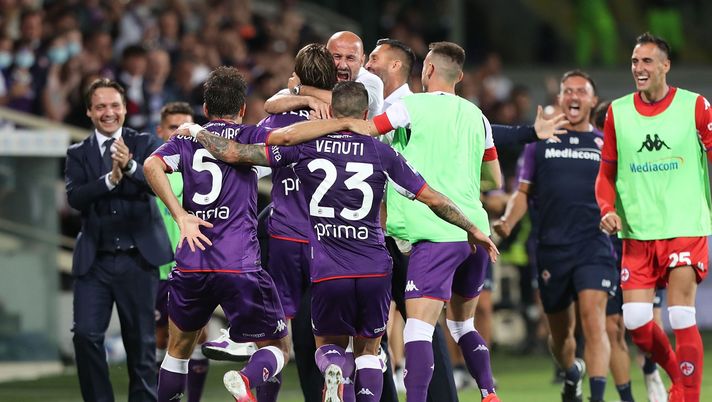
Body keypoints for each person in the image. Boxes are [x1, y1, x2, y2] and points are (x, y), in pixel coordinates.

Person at [183, 80, 498, 402]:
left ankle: (335, 368)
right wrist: (472, 227)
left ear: (330, 111)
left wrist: (197, 132)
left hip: (330, 270)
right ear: (364, 113)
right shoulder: (382, 152)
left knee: (329, 346)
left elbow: (235, 153)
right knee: (370, 352)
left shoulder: (307, 147)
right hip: (376, 269)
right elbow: (433, 198)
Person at [143, 66, 306, 402]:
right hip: (238, 262)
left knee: (178, 350)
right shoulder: (250, 136)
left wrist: (182, 216)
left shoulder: (186, 139)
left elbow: (150, 165)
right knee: (277, 347)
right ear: (243, 109)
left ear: (205, 109)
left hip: (192, 261)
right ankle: (247, 380)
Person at [202, 43, 339, 402]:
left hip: (285, 240)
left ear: (296, 76)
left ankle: (246, 360)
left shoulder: (275, 120)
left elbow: (245, 159)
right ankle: (336, 378)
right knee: (335, 340)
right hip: (334, 242)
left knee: (278, 338)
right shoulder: (346, 118)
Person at [595, 32, 712, 402]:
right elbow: (606, 173)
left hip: (683, 225)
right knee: (636, 322)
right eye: (634, 61)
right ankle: (681, 379)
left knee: (679, 315)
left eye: (647, 61)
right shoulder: (618, 112)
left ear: (665, 66)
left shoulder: (696, 107)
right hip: (637, 232)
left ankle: (687, 396)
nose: (639, 68)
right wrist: (607, 209)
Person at [494, 70, 616, 402]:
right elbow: (522, 193)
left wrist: (618, 215)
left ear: (592, 100)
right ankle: (571, 372)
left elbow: (621, 191)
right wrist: (506, 222)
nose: (574, 96)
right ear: (560, 99)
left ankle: (597, 397)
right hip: (551, 249)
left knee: (594, 321)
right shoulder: (540, 143)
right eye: (568, 91)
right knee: (561, 338)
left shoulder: (606, 143)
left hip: (594, 245)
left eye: (582, 91)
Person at [65, 78, 173, 402]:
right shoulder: (77, 153)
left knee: (141, 344)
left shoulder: (145, 143)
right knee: (85, 335)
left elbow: (156, 184)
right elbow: (76, 197)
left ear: (125, 109)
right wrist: (109, 181)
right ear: (89, 111)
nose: (108, 112)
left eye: (114, 105)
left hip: (137, 260)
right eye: (100, 106)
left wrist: (129, 165)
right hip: (94, 262)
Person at [365, 37, 459, 402]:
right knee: (373, 327)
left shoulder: (411, 108)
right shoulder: (371, 105)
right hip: (374, 232)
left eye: (374, 58)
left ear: (395, 66)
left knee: (422, 326)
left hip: (407, 234)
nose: (367, 66)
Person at [592, 100, 668, 402]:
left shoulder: (642, 157)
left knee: (649, 321)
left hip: (641, 244)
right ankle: (627, 398)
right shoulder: (595, 160)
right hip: (605, 251)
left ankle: (651, 370)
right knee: (612, 326)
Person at [152, 101, 211, 402]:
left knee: (196, 336)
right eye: (175, 127)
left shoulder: (199, 167)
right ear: (161, 131)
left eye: (187, 126)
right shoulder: (155, 169)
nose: (182, 132)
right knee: (162, 338)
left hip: (191, 264)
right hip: (159, 269)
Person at [264, 31, 384, 119]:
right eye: (336, 57)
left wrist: (300, 89)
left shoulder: (371, 81)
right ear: (326, 56)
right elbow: (270, 105)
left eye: (350, 58)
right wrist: (307, 100)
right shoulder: (323, 77)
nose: (342, 65)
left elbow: (349, 102)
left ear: (362, 60)